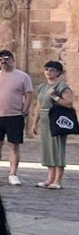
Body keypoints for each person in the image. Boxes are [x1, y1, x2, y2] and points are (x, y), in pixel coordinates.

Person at [0, 49, 33, 186]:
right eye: (0, 59)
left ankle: (13, 174)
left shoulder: (23, 77)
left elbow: (29, 94)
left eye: (6, 58)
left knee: (14, 145)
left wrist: (24, 110)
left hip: (14, 116)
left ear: (12, 59)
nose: (3, 61)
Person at [29, 60, 73, 189]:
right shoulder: (42, 87)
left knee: (57, 148)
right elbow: (39, 105)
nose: (49, 72)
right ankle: (50, 178)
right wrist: (34, 122)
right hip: (44, 119)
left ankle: (58, 180)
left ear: (58, 73)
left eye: (52, 70)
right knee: (47, 149)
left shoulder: (62, 87)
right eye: (47, 69)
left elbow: (69, 103)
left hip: (56, 119)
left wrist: (55, 97)